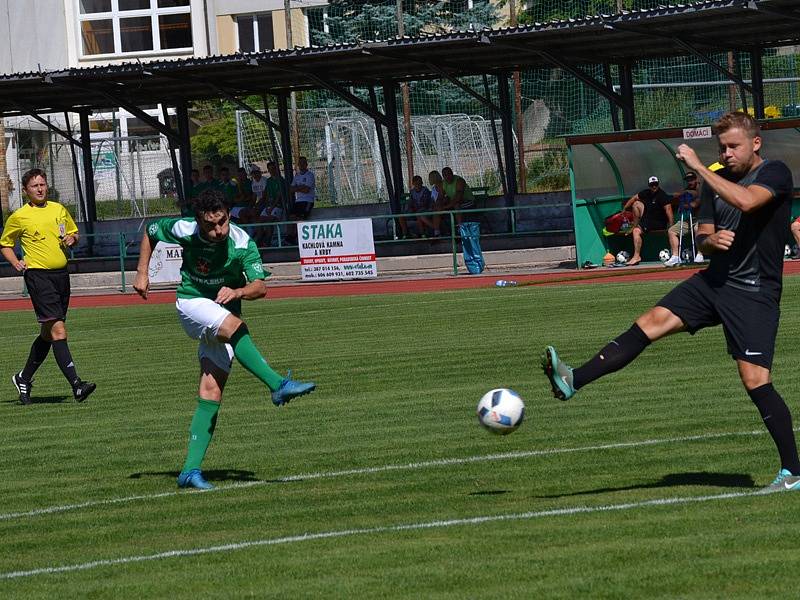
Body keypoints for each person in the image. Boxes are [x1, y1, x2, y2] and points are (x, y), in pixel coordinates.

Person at [542, 111, 800, 492]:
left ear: (755, 144)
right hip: (715, 281)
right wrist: (711, 241)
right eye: (721, 147)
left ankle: (792, 471)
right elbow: (707, 235)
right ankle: (573, 379)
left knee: (754, 379)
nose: (726, 153)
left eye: (734, 146)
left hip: (753, 290)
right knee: (650, 322)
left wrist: (698, 165)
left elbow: (747, 202)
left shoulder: (774, 173)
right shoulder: (714, 182)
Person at [133, 188, 316, 490]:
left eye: (223, 222)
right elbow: (151, 231)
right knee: (236, 327)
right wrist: (142, 273)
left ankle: (190, 471)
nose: (218, 231)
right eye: (210, 225)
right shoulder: (186, 229)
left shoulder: (241, 242)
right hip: (192, 303)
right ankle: (278, 385)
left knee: (211, 391)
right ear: (198, 221)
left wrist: (239, 291)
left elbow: (260, 287)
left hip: (222, 311)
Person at [0, 168, 96, 405]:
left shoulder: (58, 209)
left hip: (61, 276)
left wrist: (72, 239)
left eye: (43, 184)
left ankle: (23, 377)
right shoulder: (19, 216)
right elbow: (5, 243)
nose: (40, 189)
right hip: (38, 277)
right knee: (59, 331)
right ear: (25, 191)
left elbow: (73, 233)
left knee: (48, 332)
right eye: (35, 186)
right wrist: (16, 262)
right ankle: (77, 385)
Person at [621, 176, 674, 266]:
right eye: (652, 185)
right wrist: (625, 209)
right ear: (649, 185)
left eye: (655, 184)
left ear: (658, 184)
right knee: (636, 204)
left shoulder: (662, 195)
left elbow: (669, 210)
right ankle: (635, 226)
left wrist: (671, 226)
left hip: (658, 222)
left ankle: (636, 256)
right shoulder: (646, 193)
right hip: (648, 219)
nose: (654, 187)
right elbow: (634, 198)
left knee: (636, 231)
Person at [664, 171, 704, 266]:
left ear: (696, 180)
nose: (689, 182)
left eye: (691, 180)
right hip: (691, 219)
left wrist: (685, 199)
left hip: (703, 219)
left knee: (697, 229)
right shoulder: (687, 189)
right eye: (688, 180)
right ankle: (675, 257)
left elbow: (696, 203)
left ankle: (700, 254)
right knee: (672, 231)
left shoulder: (702, 188)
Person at [289, 156, 316, 221]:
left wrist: (296, 188)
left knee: (301, 218)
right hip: (298, 201)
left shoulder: (310, 175)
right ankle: (292, 231)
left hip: (308, 201)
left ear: (306, 164)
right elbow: (291, 189)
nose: (301, 165)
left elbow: (306, 190)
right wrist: (301, 186)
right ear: (298, 165)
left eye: (303, 163)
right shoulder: (297, 176)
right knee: (291, 217)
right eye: (300, 163)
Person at [428, 170, 446, 237]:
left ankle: (437, 231)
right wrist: (431, 206)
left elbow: (441, 197)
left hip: (441, 206)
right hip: (435, 207)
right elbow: (433, 200)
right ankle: (437, 229)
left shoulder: (443, 185)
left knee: (436, 212)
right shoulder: (433, 188)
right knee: (421, 216)